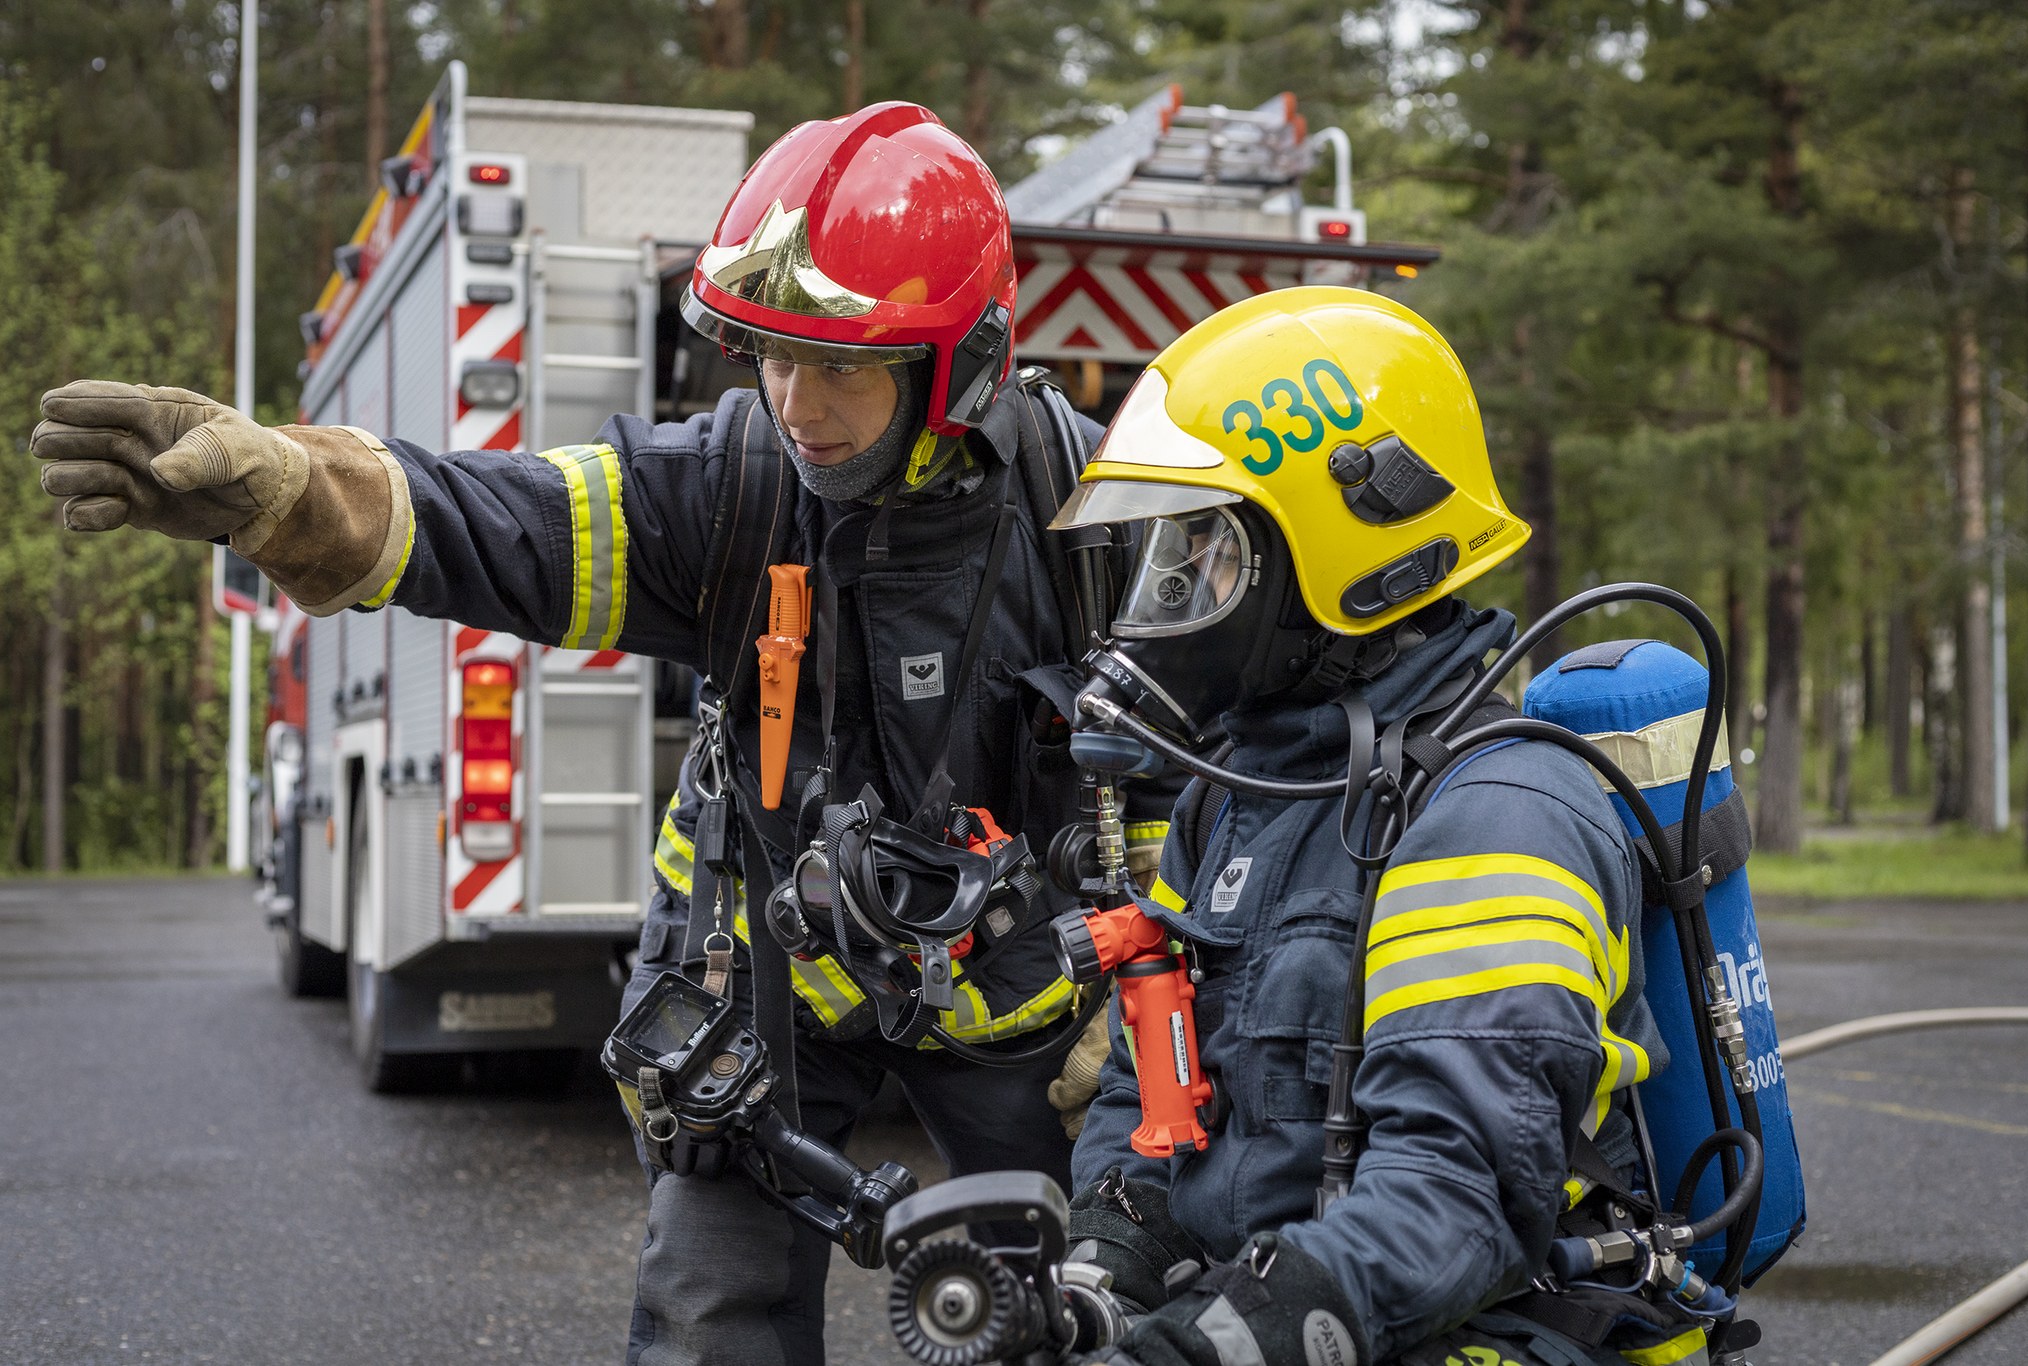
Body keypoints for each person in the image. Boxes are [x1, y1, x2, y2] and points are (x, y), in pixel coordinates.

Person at [29, 102, 1171, 1366]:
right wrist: (301, 497)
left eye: (841, 365)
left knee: (1092, 1313)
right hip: (768, 997)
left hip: (1026, 1006)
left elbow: (1206, 795)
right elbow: (497, 523)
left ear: (961, 362)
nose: (796, 404)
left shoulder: (1101, 523)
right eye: (770, 359)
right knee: (704, 1316)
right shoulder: (731, 491)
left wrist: (1146, 1015)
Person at [1042, 286, 1715, 1366]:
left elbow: (1456, 1203)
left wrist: (1205, 1347)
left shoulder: (1496, 816)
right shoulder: (1234, 793)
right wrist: (1102, 1269)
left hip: (1482, 1327)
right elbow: (1149, 1087)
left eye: (1204, 554)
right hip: (1284, 1319)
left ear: (1341, 559)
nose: (1162, 599)